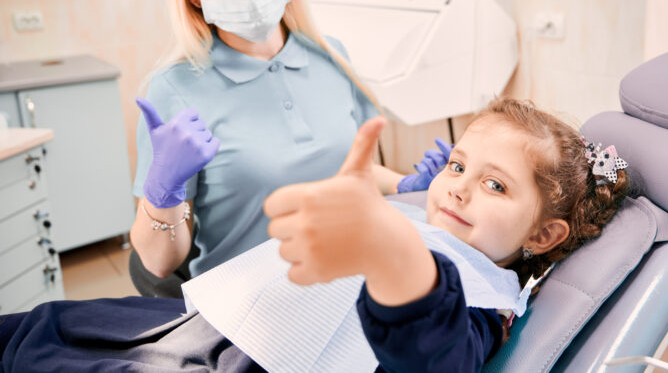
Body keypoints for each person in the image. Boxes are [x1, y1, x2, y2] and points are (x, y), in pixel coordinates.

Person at [0, 98, 629, 372]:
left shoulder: (487, 297)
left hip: (239, 362)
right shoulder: (431, 215)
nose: (459, 187)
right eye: (460, 166)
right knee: (43, 322)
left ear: (545, 235)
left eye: (496, 186)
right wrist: (407, 196)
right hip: (204, 325)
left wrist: (394, 255)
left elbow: (435, 358)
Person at [128, 0, 449, 296]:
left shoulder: (331, 56)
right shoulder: (174, 89)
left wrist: (405, 185)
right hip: (250, 304)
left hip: (347, 281)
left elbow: (351, 168)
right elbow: (158, 263)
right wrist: (162, 193)